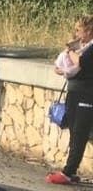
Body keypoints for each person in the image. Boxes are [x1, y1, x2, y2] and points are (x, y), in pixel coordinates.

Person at [46, 16, 93, 185]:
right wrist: (62, 69)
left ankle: (68, 171)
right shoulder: (84, 47)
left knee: (80, 132)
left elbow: (81, 62)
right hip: (75, 93)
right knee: (74, 129)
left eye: (79, 30)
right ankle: (71, 170)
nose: (77, 34)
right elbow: (72, 68)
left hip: (87, 95)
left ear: (88, 31)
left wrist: (69, 50)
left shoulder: (89, 49)